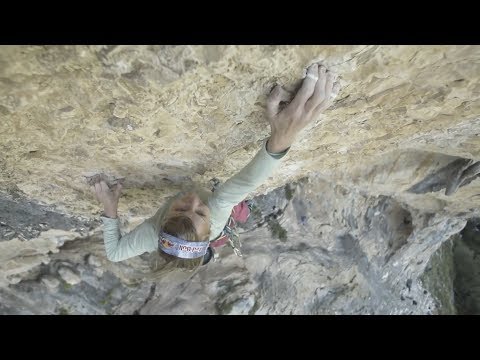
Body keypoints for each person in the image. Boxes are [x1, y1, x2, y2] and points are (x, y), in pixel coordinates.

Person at [91, 63, 340, 275]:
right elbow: (248, 181)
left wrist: (110, 207)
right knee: (232, 206)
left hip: (189, 237)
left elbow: (114, 253)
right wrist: (286, 131)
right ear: (209, 228)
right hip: (216, 226)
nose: (194, 200)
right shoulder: (218, 209)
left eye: (180, 208)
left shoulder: (152, 233)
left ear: (163, 222)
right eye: (200, 212)